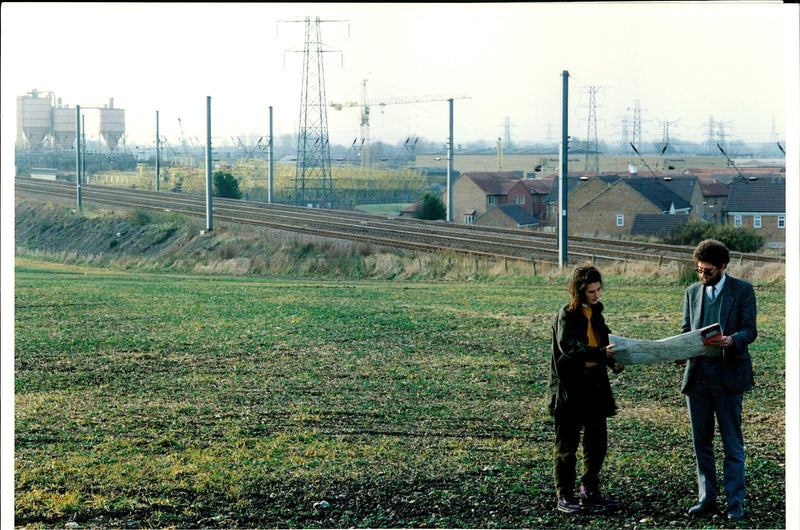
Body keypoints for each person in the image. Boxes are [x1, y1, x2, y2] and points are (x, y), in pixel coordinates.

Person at [680, 239, 757, 521]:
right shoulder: (691, 292)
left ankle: (735, 503)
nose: (702, 276)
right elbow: (686, 330)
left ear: (723, 267)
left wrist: (732, 340)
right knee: (702, 443)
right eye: (699, 270)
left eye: (708, 271)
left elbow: (750, 330)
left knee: (732, 443)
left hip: (728, 378)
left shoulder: (743, 291)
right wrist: (679, 350)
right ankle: (707, 499)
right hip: (698, 378)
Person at [547, 265, 623, 514]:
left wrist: (615, 360)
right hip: (570, 390)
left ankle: (589, 490)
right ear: (579, 291)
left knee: (597, 442)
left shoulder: (596, 315)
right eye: (591, 291)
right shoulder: (566, 315)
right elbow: (569, 346)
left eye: (598, 290)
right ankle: (565, 496)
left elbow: (606, 342)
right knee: (566, 446)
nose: (596, 295)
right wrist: (602, 353)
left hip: (595, 388)